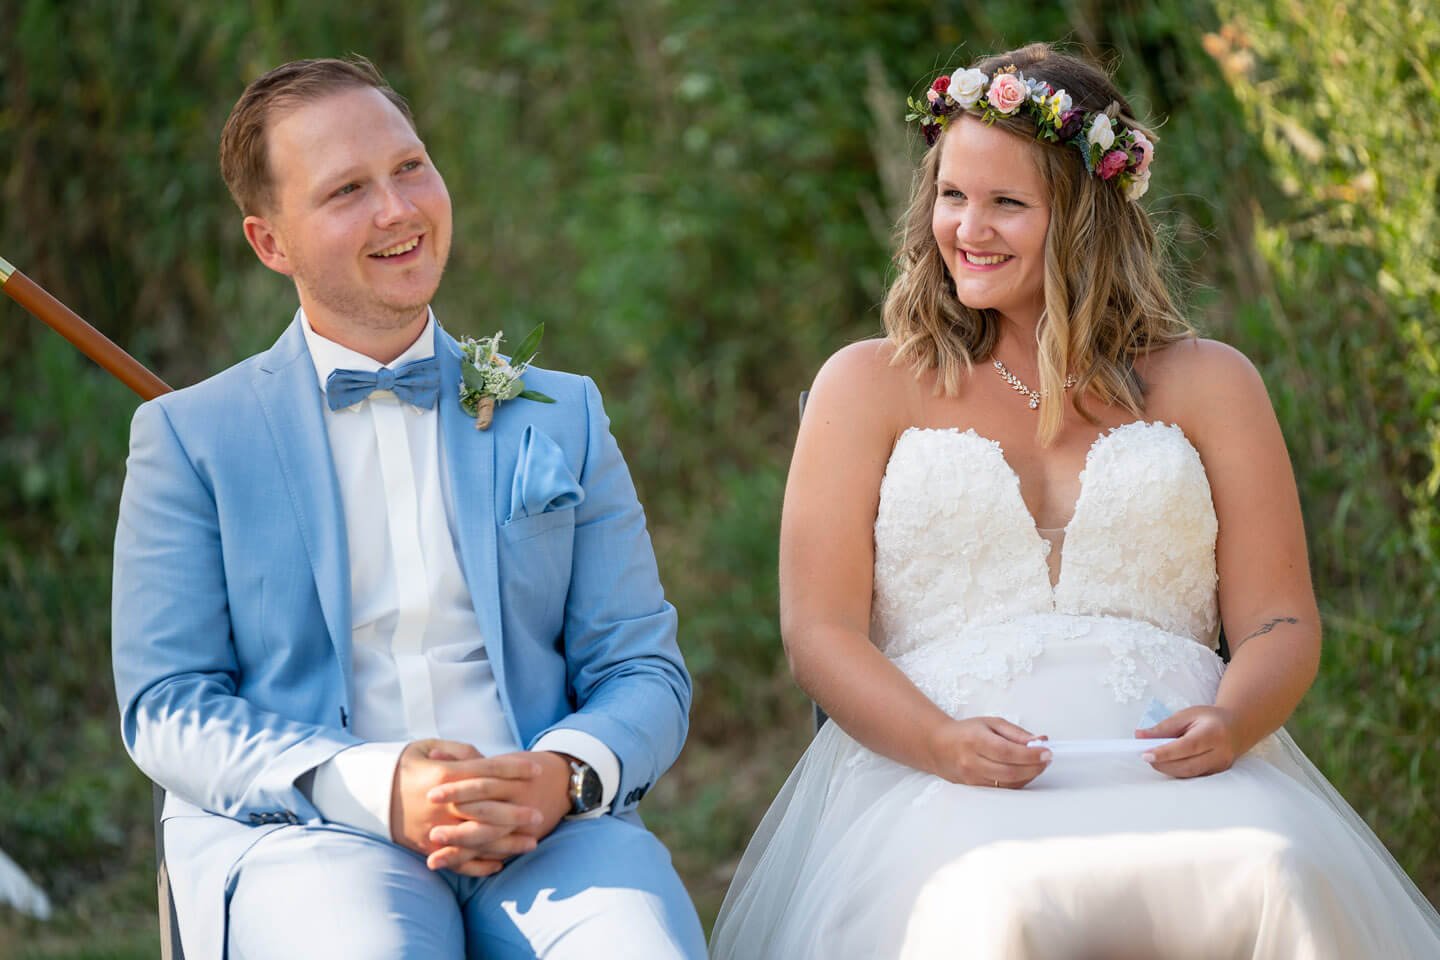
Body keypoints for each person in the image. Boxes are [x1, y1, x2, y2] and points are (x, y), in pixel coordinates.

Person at [709, 43, 1440, 959]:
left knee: (1275, 869)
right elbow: (818, 632)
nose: (967, 228)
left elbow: (1282, 620)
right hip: (952, 774)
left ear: (1086, 219)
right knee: (991, 900)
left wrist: (1234, 719)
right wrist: (939, 743)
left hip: (1179, 769)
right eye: (951, 195)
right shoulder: (869, 385)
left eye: (1006, 203)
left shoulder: (1212, 383)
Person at [111, 56, 706, 960]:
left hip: (552, 835)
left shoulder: (562, 412)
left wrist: (564, 773)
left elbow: (643, 668)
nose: (398, 210)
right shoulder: (190, 439)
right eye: (347, 189)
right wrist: (374, 785)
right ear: (270, 243)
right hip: (309, 838)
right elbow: (167, 705)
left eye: (409, 167)